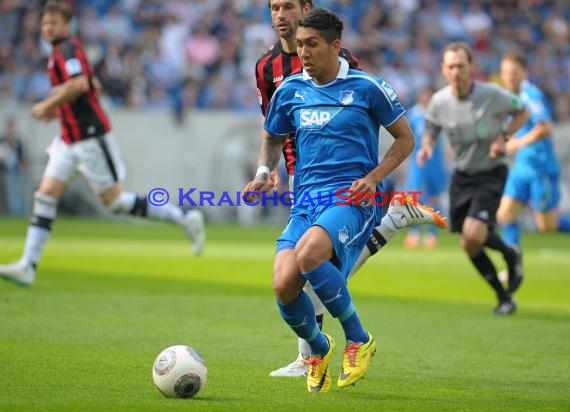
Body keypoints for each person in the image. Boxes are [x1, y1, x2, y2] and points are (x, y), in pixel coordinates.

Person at [258, 0, 446, 378]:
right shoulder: (288, 88)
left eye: (312, 44)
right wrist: (265, 171)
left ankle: (358, 339)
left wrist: (375, 177)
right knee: (283, 284)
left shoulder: (367, 86)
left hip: (352, 197)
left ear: (334, 45)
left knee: (311, 256)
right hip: (306, 198)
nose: (303, 52)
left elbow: (405, 139)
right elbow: (272, 135)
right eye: (301, 43)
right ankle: (318, 348)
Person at [0, 1, 205, 287]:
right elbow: (91, 84)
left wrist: (47, 104)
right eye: (45, 23)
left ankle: (183, 218)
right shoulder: (60, 52)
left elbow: (80, 84)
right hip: (68, 139)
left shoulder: (68, 48)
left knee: (116, 203)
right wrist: (58, 110)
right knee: (45, 195)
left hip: (90, 137)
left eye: (54, 23)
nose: (48, 28)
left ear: (67, 25)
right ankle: (28, 265)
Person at [417, 42, 530, 316]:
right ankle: (505, 290)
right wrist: (428, 144)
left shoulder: (492, 94)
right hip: (462, 175)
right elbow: (432, 125)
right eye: (451, 66)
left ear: (471, 67)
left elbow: (523, 111)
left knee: (474, 232)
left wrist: (504, 136)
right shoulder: (440, 101)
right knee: (469, 243)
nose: (456, 71)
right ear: (444, 70)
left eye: (461, 66)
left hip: (491, 171)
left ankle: (509, 260)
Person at [496, 53, 570, 250]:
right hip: (522, 166)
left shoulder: (531, 95)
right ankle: (513, 262)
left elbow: (545, 127)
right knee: (505, 215)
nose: (509, 76)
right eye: (505, 72)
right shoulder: (512, 97)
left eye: (514, 72)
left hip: (540, 167)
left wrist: (517, 143)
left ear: (524, 73)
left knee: (547, 226)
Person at [403, 87, 448, 250]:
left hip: (434, 163)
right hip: (417, 163)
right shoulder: (413, 115)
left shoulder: (438, 114)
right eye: (424, 95)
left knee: (434, 198)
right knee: (415, 197)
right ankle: (414, 233)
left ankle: (431, 234)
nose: (426, 98)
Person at [0, 117, 28, 216]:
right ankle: (11, 213)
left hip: (16, 171)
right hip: (5, 170)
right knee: (8, 195)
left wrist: (24, 167)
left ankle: (18, 214)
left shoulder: (18, 141)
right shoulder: (2, 140)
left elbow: (23, 156)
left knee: (17, 194)